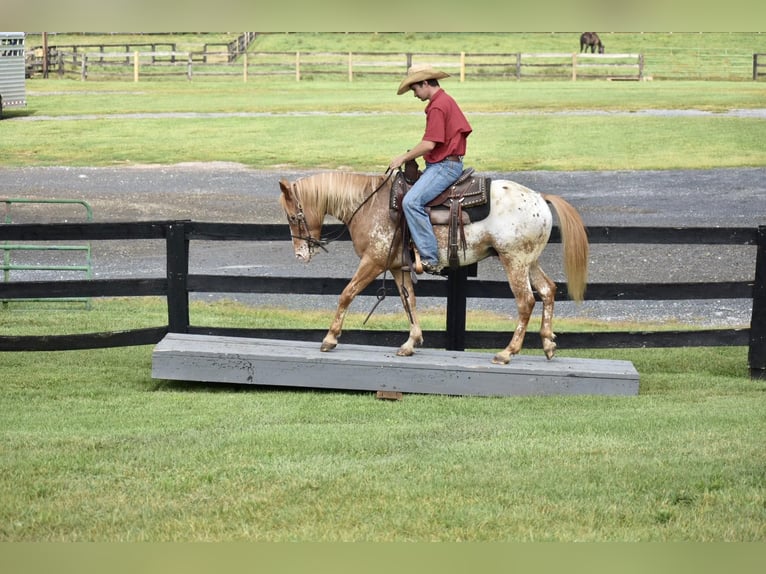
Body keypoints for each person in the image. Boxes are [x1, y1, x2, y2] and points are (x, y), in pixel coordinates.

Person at [389, 64, 472, 275]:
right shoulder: (444, 100)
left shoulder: (437, 106)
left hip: (445, 166)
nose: (415, 95)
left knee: (411, 201)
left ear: (425, 83)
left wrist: (403, 157)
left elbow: (429, 144)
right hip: (447, 162)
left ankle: (430, 257)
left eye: (415, 89)